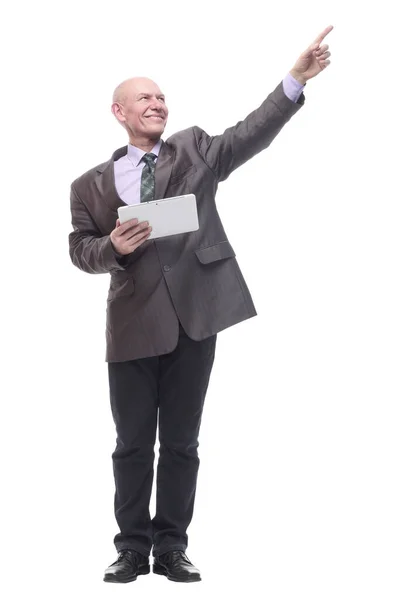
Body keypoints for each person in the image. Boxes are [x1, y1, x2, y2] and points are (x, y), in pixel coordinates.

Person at [68, 25, 333, 584]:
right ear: (118, 111)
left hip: (195, 316)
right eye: (145, 96)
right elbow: (79, 250)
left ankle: (171, 548)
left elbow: (248, 135)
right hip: (132, 323)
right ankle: (131, 548)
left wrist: (293, 81)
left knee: (182, 441)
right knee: (132, 443)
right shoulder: (88, 185)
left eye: (162, 96)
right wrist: (110, 247)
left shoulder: (193, 148)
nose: (158, 103)